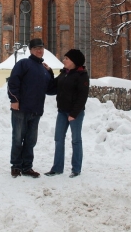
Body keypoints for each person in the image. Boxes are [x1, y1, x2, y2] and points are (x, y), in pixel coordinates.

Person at [7, 38, 54, 178]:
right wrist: (14, 100)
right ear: (31, 50)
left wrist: (51, 72)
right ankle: (16, 166)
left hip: (36, 110)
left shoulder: (44, 69)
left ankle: (27, 167)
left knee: (31, 140)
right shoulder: (23, 64)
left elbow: (50, 89)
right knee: (17, 138)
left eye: (41, 48)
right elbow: (13, 81)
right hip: (21, 109)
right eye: (36, 48)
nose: (39, 50)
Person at [45, 49, 90, 178]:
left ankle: (76, 169)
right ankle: (57, 168)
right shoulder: (64, 73)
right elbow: (52, 87)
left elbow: (82, 97)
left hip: (75, 113)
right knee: (58, 139)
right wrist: (49, 72)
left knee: (76, 140)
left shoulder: (82, 75)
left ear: (74, 62)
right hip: (62, 112)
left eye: (67, 58)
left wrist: (74, 114)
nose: (64, 60)